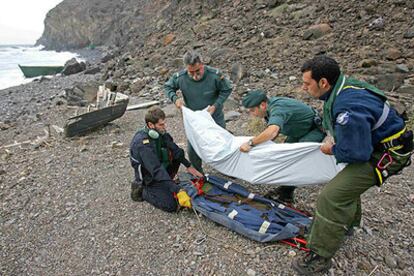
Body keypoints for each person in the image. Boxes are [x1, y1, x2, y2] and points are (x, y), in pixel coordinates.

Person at [292, 55, 413, 275]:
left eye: (307, 83)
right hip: (382, 143)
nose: (303, 88)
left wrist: (332, 149)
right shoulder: (344, 87)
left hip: (388, 154)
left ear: (323, 83)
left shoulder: (347, 107)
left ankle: (319, 257)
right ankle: (347, 224)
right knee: (345, 185)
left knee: (331, 196)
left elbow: (357, 154)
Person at [240, 89, 325, 203]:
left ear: (263, 105)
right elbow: (273, 132)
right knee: (284, 155)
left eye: (252, 110)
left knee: (295, 158)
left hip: (314, 130)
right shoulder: (269, 109)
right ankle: (285, 190)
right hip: (298, 131)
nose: (251, 114)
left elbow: (272, 131)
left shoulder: (278, 109)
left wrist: (251, 143)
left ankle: (286, 193)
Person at [164, 50, 232, 173]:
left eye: (198, 71)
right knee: (193, 148)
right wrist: (175, 99)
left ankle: (228, 170)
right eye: (191, 72)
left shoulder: (214, 75)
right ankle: (197, 173)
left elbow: (226, 89)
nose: (195, 75)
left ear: (202, 64)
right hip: (194, 119)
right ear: (186, 68)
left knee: (221, 144)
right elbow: (168, 87)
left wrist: (216, 105)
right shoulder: (181, 77)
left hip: (214, 117)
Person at [129, 107, 203, 212]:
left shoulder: (160, 133)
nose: (164, 127)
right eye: (161, 124)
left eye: (164, 123)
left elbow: (175, 149)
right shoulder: (142, 144)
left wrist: (189, 166)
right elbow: (156, 169)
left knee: (179, 153)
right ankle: (143, 191)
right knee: (172, 205)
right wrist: (178, 190)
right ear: (151, 125)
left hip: (159, 168)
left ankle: (168, 180)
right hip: (150, 176)